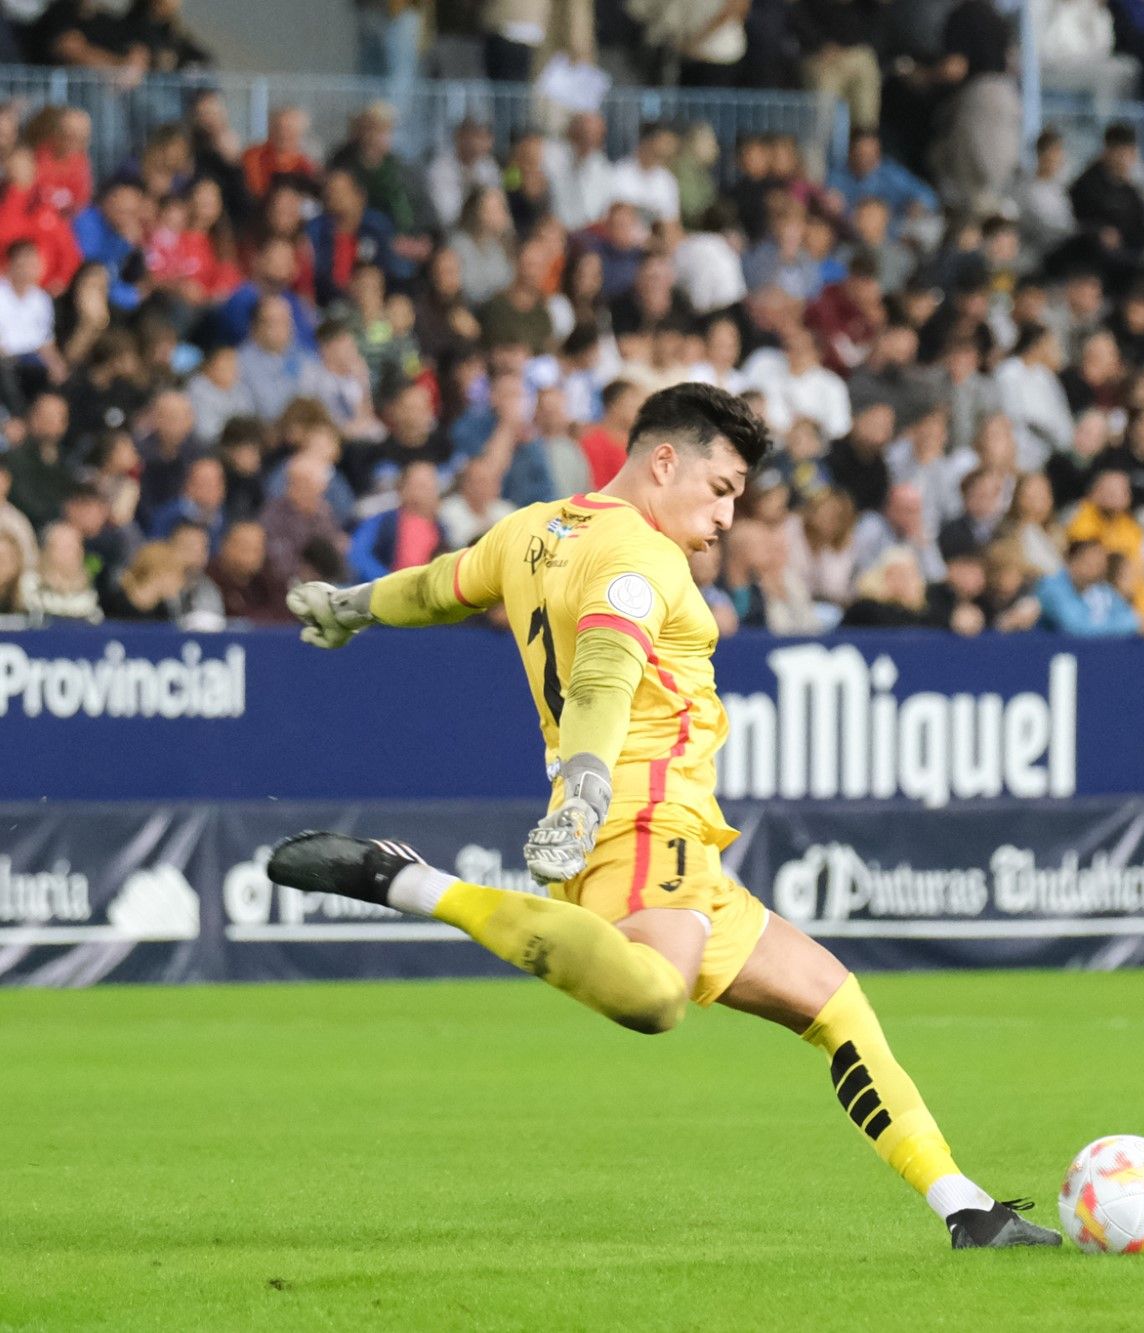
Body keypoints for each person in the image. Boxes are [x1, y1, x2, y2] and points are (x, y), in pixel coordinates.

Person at [274, 383, 1058, 1250]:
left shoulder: (533, 529)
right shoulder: (644, 560)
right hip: (644, 818)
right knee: (653, 997)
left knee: (836, 1003)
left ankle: (967, 1210)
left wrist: (350, 606)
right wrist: (584, 790)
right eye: (721, 488)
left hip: (658, 837)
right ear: (662, 461)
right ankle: (412, 881)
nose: (728, 515)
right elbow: (608, 672)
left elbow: (436, 587)